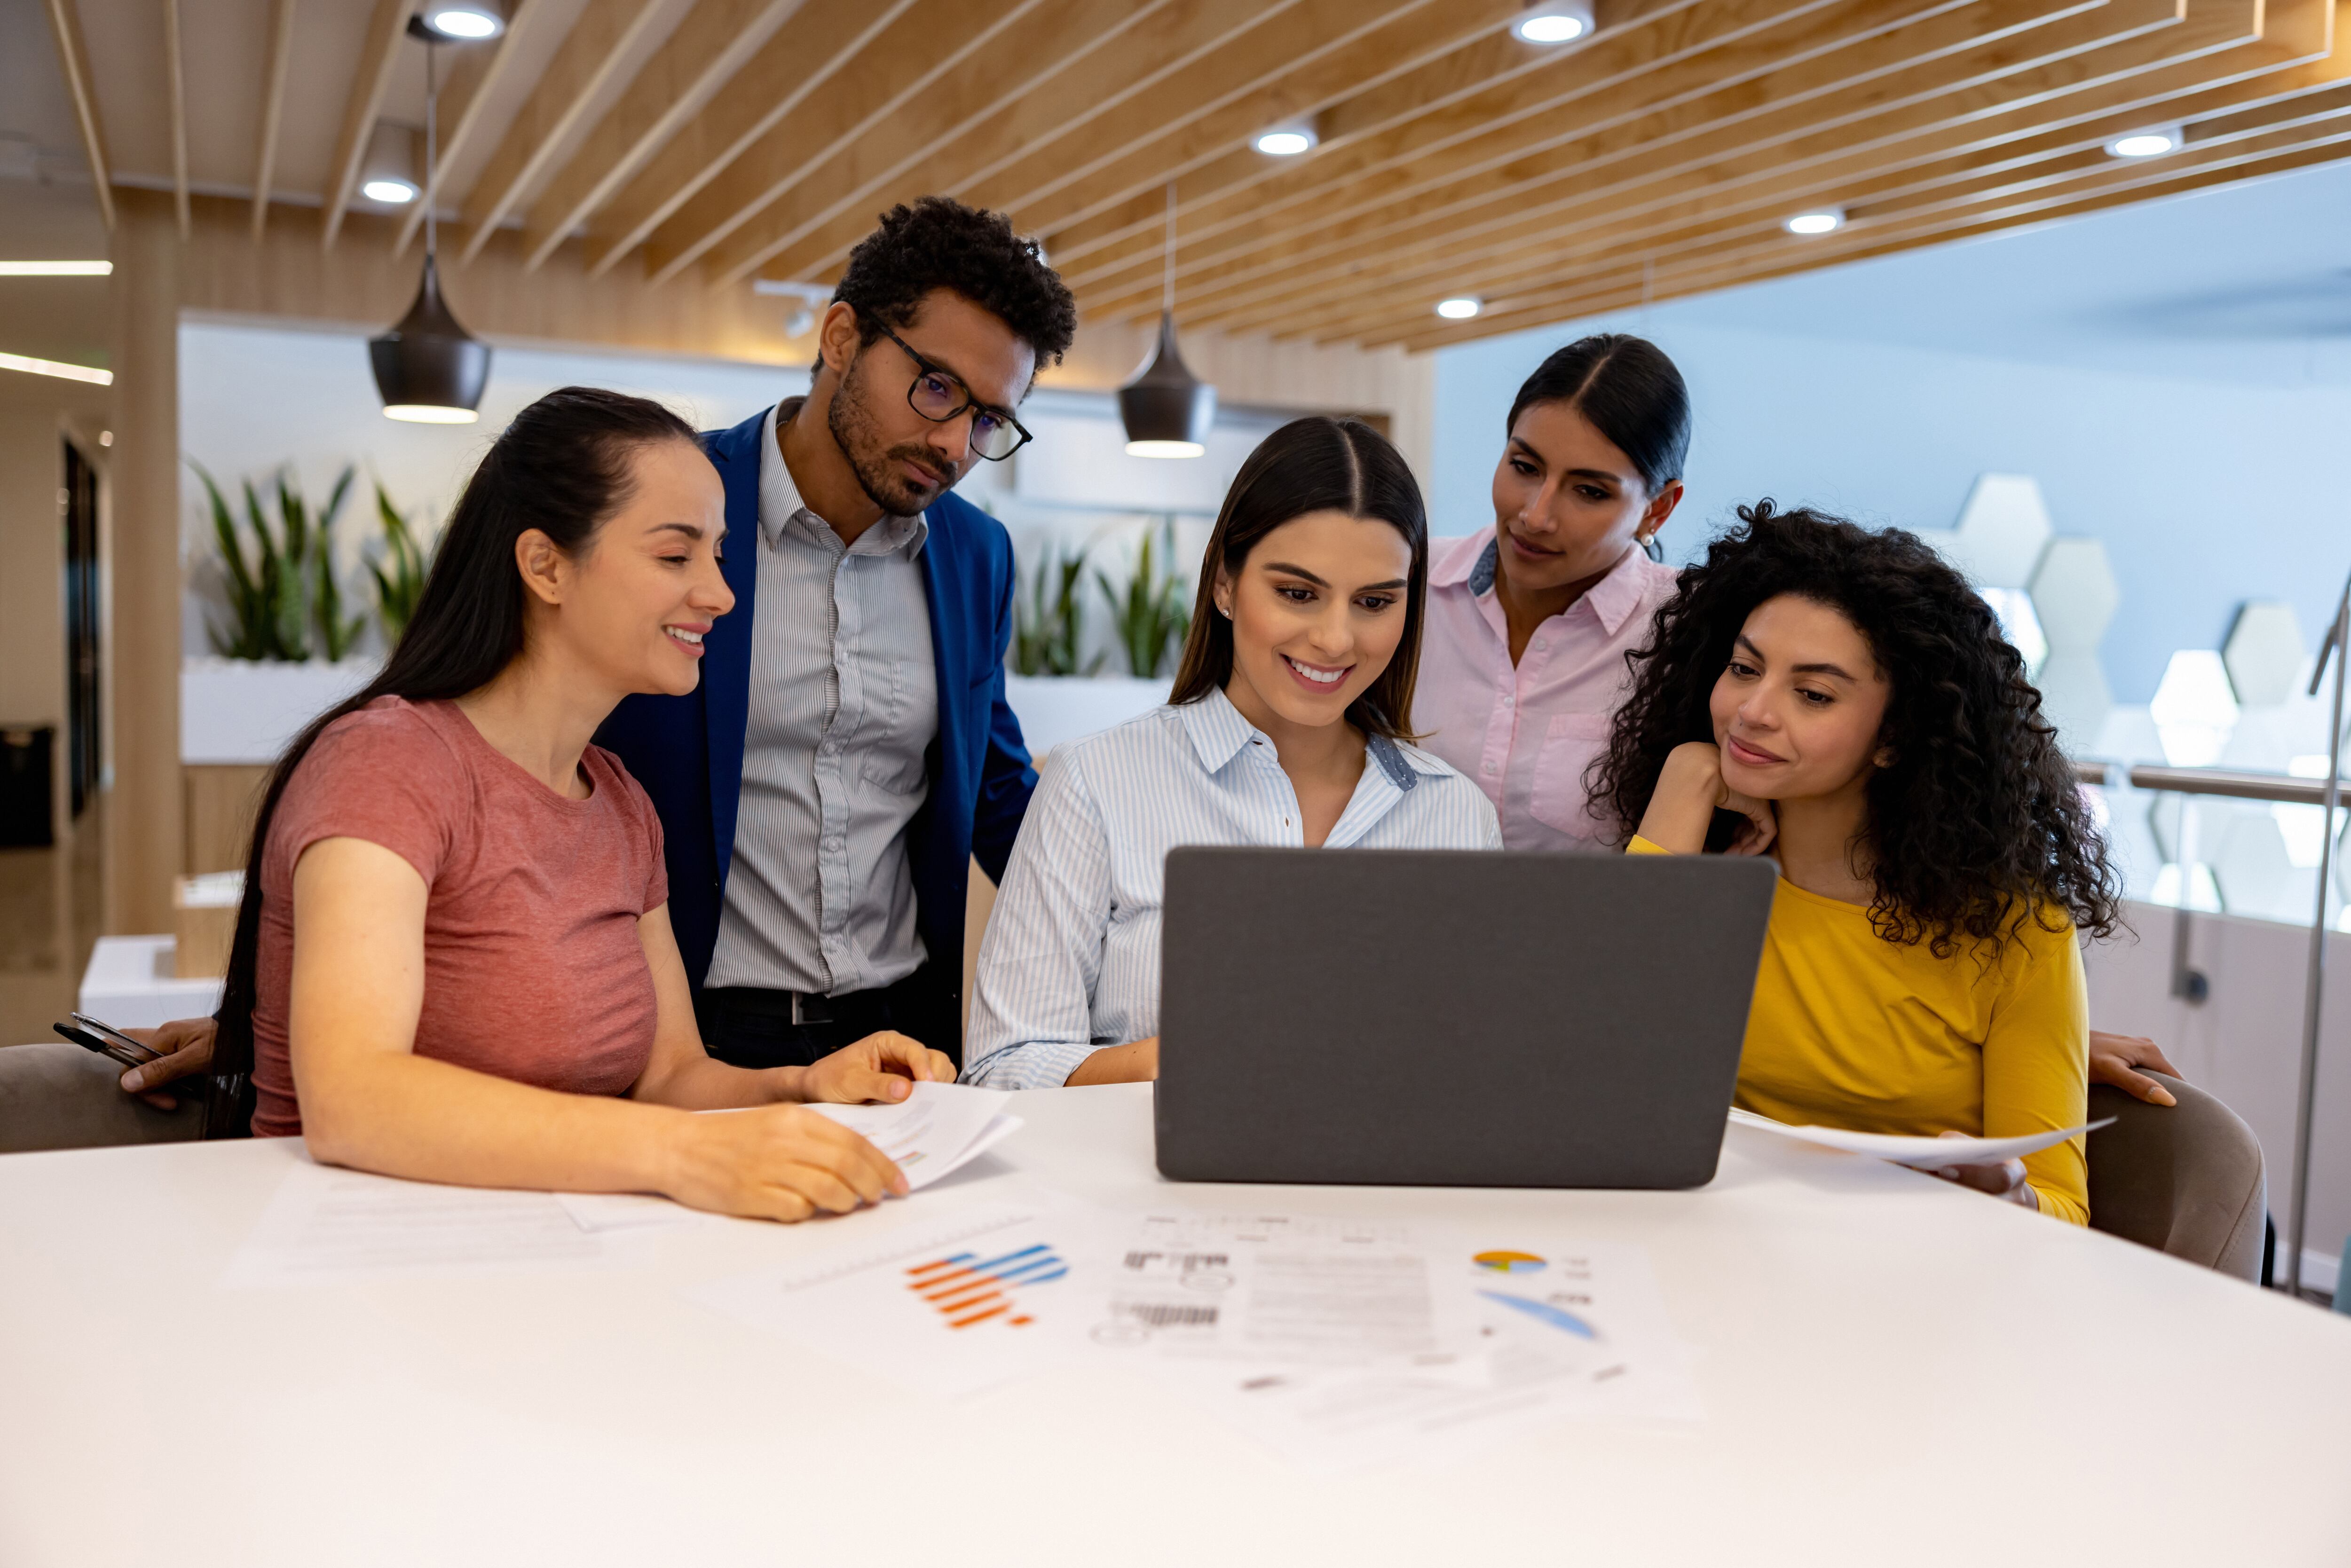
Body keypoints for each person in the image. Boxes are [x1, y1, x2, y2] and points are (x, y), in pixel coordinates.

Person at [131, 388, 955, 1222]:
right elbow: (355, 1099)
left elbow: (671, 1077)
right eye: (676, 558)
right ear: (545, 565)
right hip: (368, 1266)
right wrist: (680, 1155)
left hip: (555, 1260)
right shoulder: (387, 762)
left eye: (719, 558)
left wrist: (806, 1082)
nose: (720, 595)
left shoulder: (622, 803)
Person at [1404, 331, 2184, 1108]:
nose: (1536, 514)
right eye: (1523, 466)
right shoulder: (1394, 598)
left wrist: (2021, 1039)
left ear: (1659, 507)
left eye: (1589, 489)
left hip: (1577, 1024)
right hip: (1417, 989)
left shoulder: (1691, 635)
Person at [595, 196, 1077, 1073]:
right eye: (937, 388)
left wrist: (1144, 924)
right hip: (686, 1033)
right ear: (843, 339)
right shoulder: (676, 504)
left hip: (902, 1036)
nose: (955, 445)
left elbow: (994, 786)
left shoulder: (977, 554)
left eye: (988, 421)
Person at [1594, 503, 2123, 1222]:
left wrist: (2006, 1195)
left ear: (1896, 736)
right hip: (1703, 1250)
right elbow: (1594, 1064)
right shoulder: (1698, 862)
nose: (1753, 711)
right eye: (1744, 669)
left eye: (1812, 695)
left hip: (1909, 1280)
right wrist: (1686, 778)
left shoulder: (2018, 934)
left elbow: (2064, 1205)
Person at [962, 418, 1500, 1091]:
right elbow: (1000, 1070)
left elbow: (1479, 1074)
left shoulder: (1458, 816)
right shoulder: (1095, 782)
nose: (1336, 640)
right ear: (1224, 585)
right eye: (1297, 594)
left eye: (1374, 602)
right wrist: (1181, 1058)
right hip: (1137, 1190)